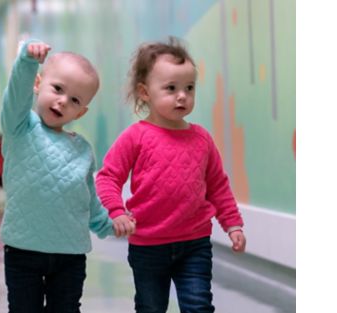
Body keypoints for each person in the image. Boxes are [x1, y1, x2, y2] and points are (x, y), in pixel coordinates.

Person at [95, 37, 246, 313]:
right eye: (171, 88)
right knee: (151, 307)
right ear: (144, 92)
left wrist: (233, 224)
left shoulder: (201, 139)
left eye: (189, 88)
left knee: (199, 305)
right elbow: (108, 177)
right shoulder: (136, 137)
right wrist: (116, 211)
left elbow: (218, 186)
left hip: (195, 242)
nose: (182, 96)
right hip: (148, 244)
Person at [0, 39, 136, 313]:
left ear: (81, 111)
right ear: (38, 84)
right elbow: (15, 95)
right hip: (23, 250)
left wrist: (109, 224)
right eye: (58, 89)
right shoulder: (20, 128)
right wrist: (27, 60)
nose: (63, 101)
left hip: (70, 255)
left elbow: (87, 200)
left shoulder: (82, 149)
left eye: (74, 100)